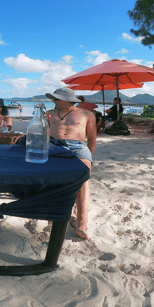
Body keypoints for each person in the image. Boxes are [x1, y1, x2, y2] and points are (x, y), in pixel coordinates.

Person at [45, 88, 97, 240]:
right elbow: (43, 132)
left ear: (68, 100)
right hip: (55, 145)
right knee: (47, 174)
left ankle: (81, 221)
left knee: (83, 177)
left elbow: (92, 139)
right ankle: (51, 211)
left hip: (78, 147)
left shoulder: (87, 114)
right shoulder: (49, 113)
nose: (54, 101)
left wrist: (89, 157)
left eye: (57, 98)